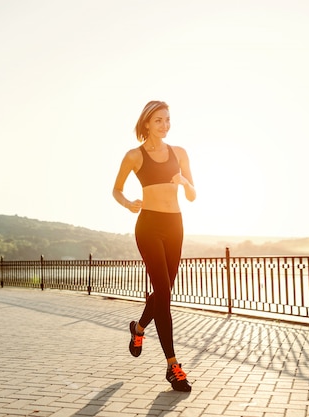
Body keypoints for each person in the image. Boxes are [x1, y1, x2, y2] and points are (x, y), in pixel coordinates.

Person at [112, 100, 196, 392]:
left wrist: (184, 182)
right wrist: (128, 204)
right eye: (158, 120)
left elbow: (194, 195)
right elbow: (117, 188)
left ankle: (138, 329)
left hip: (175, 226)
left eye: (168, 120)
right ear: (146, 123)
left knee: (163, 292)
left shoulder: (180, 153)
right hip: (148, 226)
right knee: (165, 293)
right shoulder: (134, 156)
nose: (165, 125)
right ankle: (173, 366)